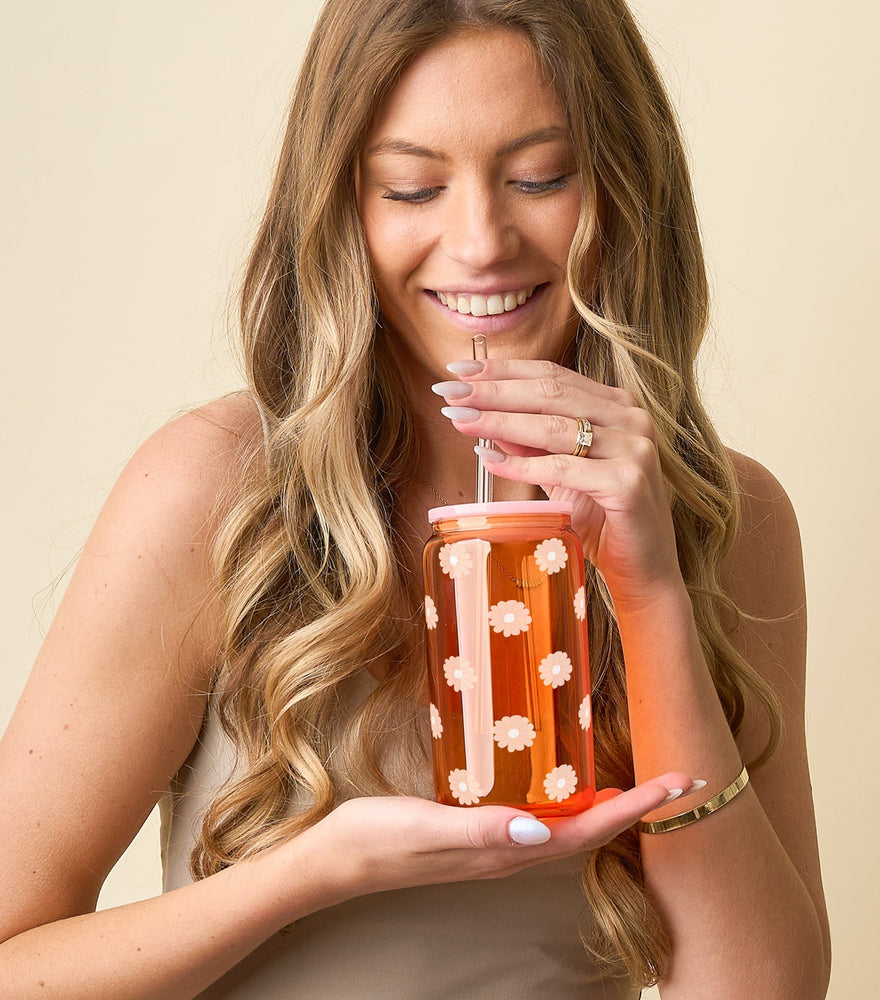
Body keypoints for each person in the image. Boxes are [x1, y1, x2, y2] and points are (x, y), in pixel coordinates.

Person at [0, 1, 830, 996]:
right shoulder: (216, 490)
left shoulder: (726, 516)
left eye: (539, 176)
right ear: (341, 205)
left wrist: (649, 591)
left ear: (623, 187)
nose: (479, 241)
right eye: (411, 186)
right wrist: (317, 869)